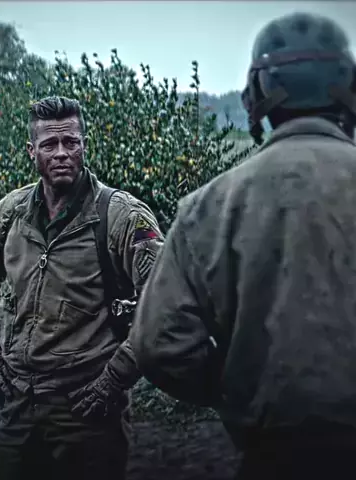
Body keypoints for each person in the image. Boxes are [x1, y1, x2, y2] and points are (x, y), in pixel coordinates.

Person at [129, 12, 356, 480]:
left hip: (274, 455)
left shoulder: (209, 205)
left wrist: (234, 387)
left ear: (256, 98)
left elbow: (158, 344)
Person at [0, 96, 164, 480]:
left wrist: (113, 381)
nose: (61, 153)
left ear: (84, 145)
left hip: (88, 415)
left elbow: (162, 306)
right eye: (49, 144)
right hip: (19, 409)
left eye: (71, 142)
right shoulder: (10, 214)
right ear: (31, 151)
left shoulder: (122, 216)